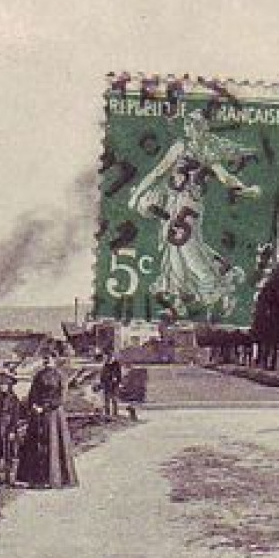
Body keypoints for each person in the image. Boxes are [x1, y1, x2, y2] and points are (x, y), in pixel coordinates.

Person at [128, 109, 262, 320]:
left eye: (196, 125)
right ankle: (183, 300)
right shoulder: (179, 147)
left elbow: (225, 178)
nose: (192, 129)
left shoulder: (207, 151)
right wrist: (137, 194)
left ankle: (219, 292)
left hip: (190, 206)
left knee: (188, 251)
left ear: (204, 128)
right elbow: (158, 172)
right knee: (175, 252)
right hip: (173, 204)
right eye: (189, 125)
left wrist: (245, 189)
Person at [15, 355, 78, 488]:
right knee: (35, 444)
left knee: (53, 444)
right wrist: (33, 405)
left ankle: (54, 479)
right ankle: (35, 479)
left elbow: (61, 398)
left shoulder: (60, 376)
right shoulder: (38, 375)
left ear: (54, 360)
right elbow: (33, 393)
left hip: (54, 415)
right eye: (45, 359)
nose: (46, 361)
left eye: (49, 359)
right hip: (37, 413)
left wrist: (44, 407)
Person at [99, 349, 124, 420]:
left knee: (114, 399)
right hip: (106, 384)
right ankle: (107, 414)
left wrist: (118, 382)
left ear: (110, 356)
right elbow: (102, 375)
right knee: (106, 400)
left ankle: (115, 414)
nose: (105, 358)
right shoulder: (105, 364)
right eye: (105, 357)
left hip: (114, 385)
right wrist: (102, 382)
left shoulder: (116, 364)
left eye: (106, 356)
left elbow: (119, 375)